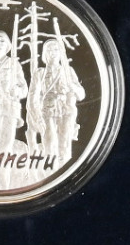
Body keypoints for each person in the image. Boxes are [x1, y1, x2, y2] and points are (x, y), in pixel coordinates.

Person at [26, 38, 86, 167]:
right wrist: (37, 117)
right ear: (45, 53)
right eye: (49, 50)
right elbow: (32, 98)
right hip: (47, 111)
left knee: (64, 144)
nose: (52, 52)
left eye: (56, 49)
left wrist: (72, 86)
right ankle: (51, 170)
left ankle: (65, 169)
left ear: (61, 53)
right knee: (49, 143)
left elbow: (81, 95)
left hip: (66, 111)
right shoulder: (40, 73)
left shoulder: (68, 71)